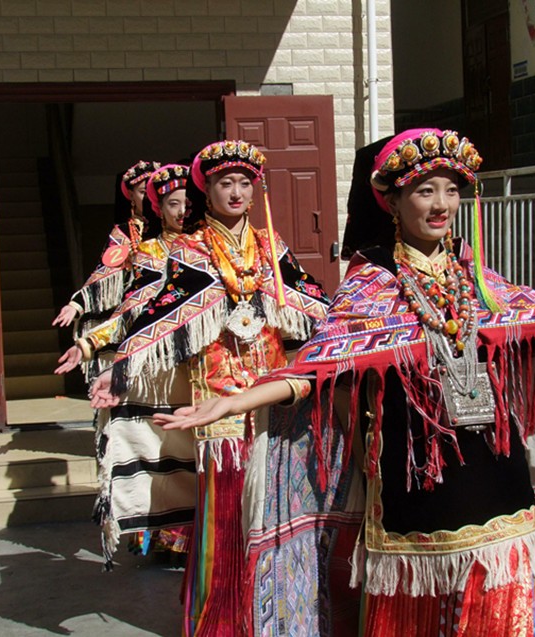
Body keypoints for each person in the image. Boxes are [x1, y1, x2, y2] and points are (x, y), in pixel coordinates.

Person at [159, 129, 535, 637]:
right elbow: (318, 369)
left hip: (493, 462)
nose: (441, 205)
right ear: (393, 201)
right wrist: (233, 402)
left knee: (505, 597)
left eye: (452, 191)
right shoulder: (372, 283)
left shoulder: (477, 279)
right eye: (425, 191)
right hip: (413, 473)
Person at [90, 140, 330, 636]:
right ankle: (222, 618)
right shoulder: (188, 250)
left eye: (245, 183)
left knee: (272, 507)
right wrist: (119, 365)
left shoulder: (271, 247)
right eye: (225, 183)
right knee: (226, 514)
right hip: (215, 403)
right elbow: (149, 313)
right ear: (208, 189)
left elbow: (315, 304)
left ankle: (277, 614)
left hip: (269, 397)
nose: (236, 192)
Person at [55, 163, 195, 567]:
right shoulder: (144, 250)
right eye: (173, 204)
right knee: (160, 447)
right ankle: (163, 535)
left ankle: (204, 538)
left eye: (187, 202)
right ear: (157, 207)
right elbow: (127, 303)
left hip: (203, 365)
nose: (182, 211)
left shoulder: (205, 245)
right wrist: (86, 332)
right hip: (158, 363)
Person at [52, 159, 162, 380]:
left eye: (155, 190)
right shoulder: (124, 233)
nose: (149, 197)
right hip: (135, 309)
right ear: (130, 195)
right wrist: (77, 304)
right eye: (143, 192)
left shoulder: (182, 230)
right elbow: (105, 274)